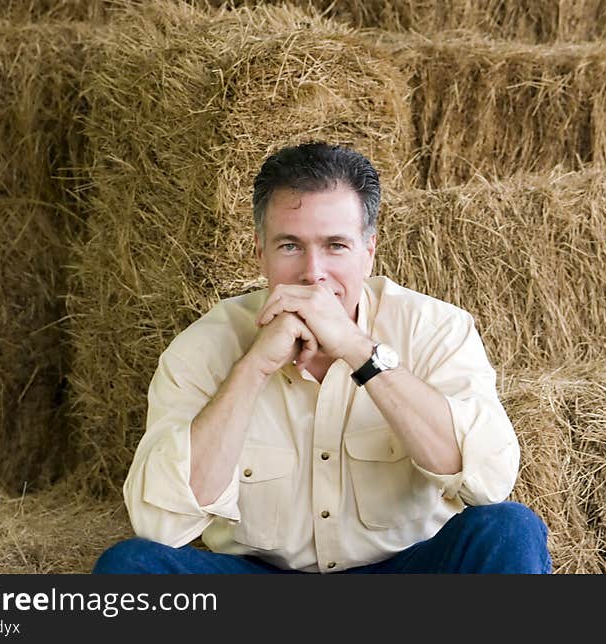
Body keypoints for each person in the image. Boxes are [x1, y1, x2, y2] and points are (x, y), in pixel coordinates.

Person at [92, 142, 551, 574]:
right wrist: (253, 367)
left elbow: (489, 483)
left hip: (407, 573)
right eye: (290, 245)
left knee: (510, 530)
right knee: (131, 567)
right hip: (264, 584)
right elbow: (159, 524)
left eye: (336, 245)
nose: (313, 274)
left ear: (368, 252)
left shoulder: (436, 329)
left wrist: (358, 350)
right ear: (261, 252)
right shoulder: (203, 347)